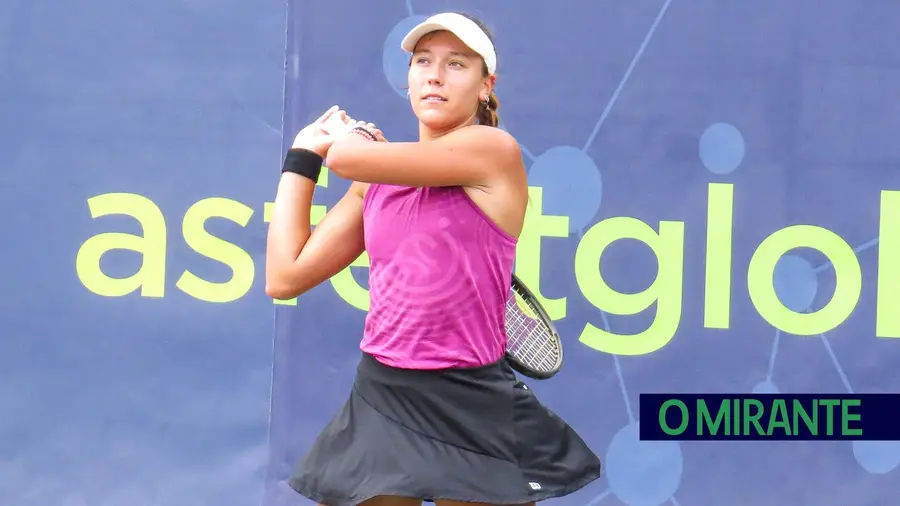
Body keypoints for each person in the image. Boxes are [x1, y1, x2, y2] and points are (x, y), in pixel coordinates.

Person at [265, 11, 603, 506]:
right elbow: (284, 275)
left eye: (456, 64)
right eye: (423, 62)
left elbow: (345, 157)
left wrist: (345, 142)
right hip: (385, 395)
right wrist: (300, 156)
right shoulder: (375, 180)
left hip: (470, 402)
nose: (435, 75)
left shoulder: (493, 151)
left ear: (486, 85)